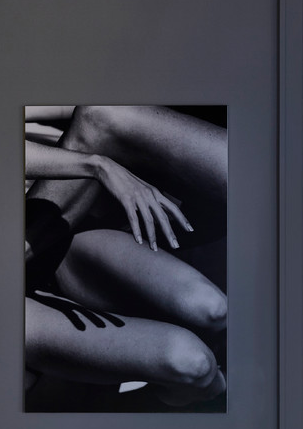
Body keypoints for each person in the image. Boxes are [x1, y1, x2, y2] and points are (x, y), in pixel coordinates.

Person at [24, 105, 228, 410]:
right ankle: (180, 396)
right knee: (192, 364)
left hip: (49, 233)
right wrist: (96, 165)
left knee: (211, 308)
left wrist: (99, 165)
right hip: (21, 291)